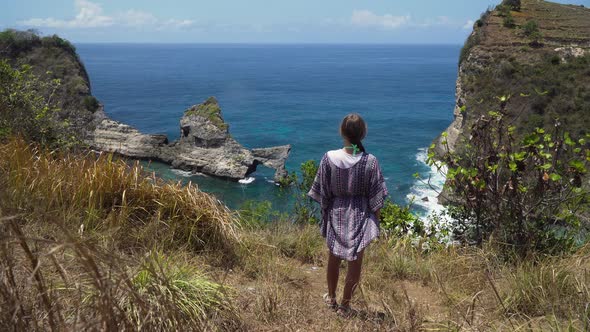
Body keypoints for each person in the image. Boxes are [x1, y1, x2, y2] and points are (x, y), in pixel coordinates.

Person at [308, 113, 388, 317]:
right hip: (360, 215)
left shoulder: (329, 157)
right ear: (363, 133)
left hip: (336, 213)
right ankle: (345, 305)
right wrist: (376, 221)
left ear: (342, 132)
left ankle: (331, 297)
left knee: (333, 259)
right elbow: (376, 196)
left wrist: (326, 212)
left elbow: (322, 191)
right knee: (355, 263)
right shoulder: (370, 161)